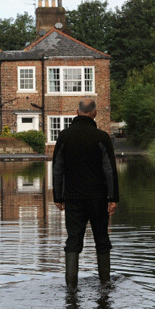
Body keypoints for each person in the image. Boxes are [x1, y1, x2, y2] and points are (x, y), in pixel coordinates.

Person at [52, 98, 119, 291]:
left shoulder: (64, 136)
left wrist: (58, 196)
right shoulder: (102, 137)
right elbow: (109, 170)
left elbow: (57, 168)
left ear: (77, 112)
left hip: (73, 198)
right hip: (98, 198)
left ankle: (71, 287)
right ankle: (105, 285)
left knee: (73, 240)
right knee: (101, 239)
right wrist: (112, 198)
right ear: (95, 113)